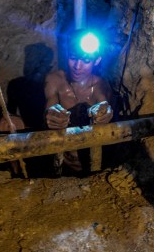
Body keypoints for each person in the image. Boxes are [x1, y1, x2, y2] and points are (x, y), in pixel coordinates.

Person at [44, 29, 113, 175]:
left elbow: (103, 103)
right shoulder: (54, 80)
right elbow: (48, 109)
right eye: (73, 58)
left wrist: (104, 112)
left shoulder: (100, 85)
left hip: (92, 165)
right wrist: (51, 115)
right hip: (60, 164)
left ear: (97, 60)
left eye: (86, 60)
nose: (77, 66)